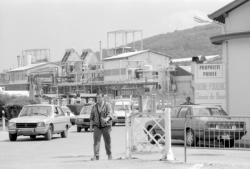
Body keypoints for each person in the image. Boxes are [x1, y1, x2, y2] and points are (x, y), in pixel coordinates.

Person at [90, 93, 112, 160]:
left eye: (99, 97)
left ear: (103, 98)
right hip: (97, 126)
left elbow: (110, 114)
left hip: (106, 126)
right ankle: (96, 156)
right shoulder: (94, 106)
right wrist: (91, 126)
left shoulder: (107, 105)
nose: (98, 99)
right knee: (96, 141)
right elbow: (91, 117)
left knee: (107, 141)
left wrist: (106, 119)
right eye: (97, 98)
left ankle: (109, 155)